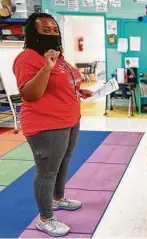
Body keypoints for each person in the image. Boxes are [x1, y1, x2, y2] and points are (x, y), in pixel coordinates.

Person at [12, 13, 93, 237]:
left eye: (54, 29)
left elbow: (63, 83)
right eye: (45, 30)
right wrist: (46, 67)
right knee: (47, 171)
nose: (51, 33)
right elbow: (30, 94)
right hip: (46, 125)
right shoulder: (27, 58)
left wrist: (78, 90)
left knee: (63, 163)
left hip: (69, 120)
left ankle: (58, 199)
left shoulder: (57, 56)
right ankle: (45, 218)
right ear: (33, 33)